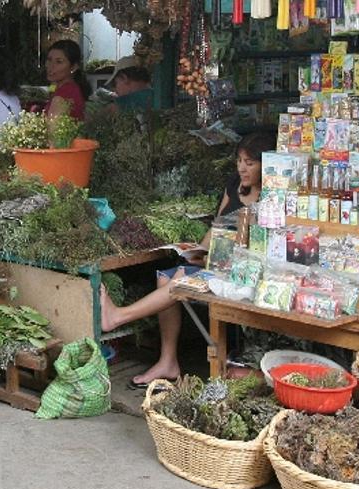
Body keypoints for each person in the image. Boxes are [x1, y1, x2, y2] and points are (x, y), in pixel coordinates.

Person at [99, 133, 274, 389]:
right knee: (165, 275)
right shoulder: (234, 184)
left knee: (180, 279)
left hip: (243, 270)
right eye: (239, 160)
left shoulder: (272, 197)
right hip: (216, 260)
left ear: (265, 164)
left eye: (249, 163)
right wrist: (199, 251)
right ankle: (168, 361)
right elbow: (217, 226)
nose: (241, 168)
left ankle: (118, 316)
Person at [44, 39, 91, 121]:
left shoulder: (66, 93)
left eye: (59, 62)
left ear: (73, 67)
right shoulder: (57, 85)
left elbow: (54, 130)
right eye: (49, 59)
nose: (50, 66)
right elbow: (51, 90)